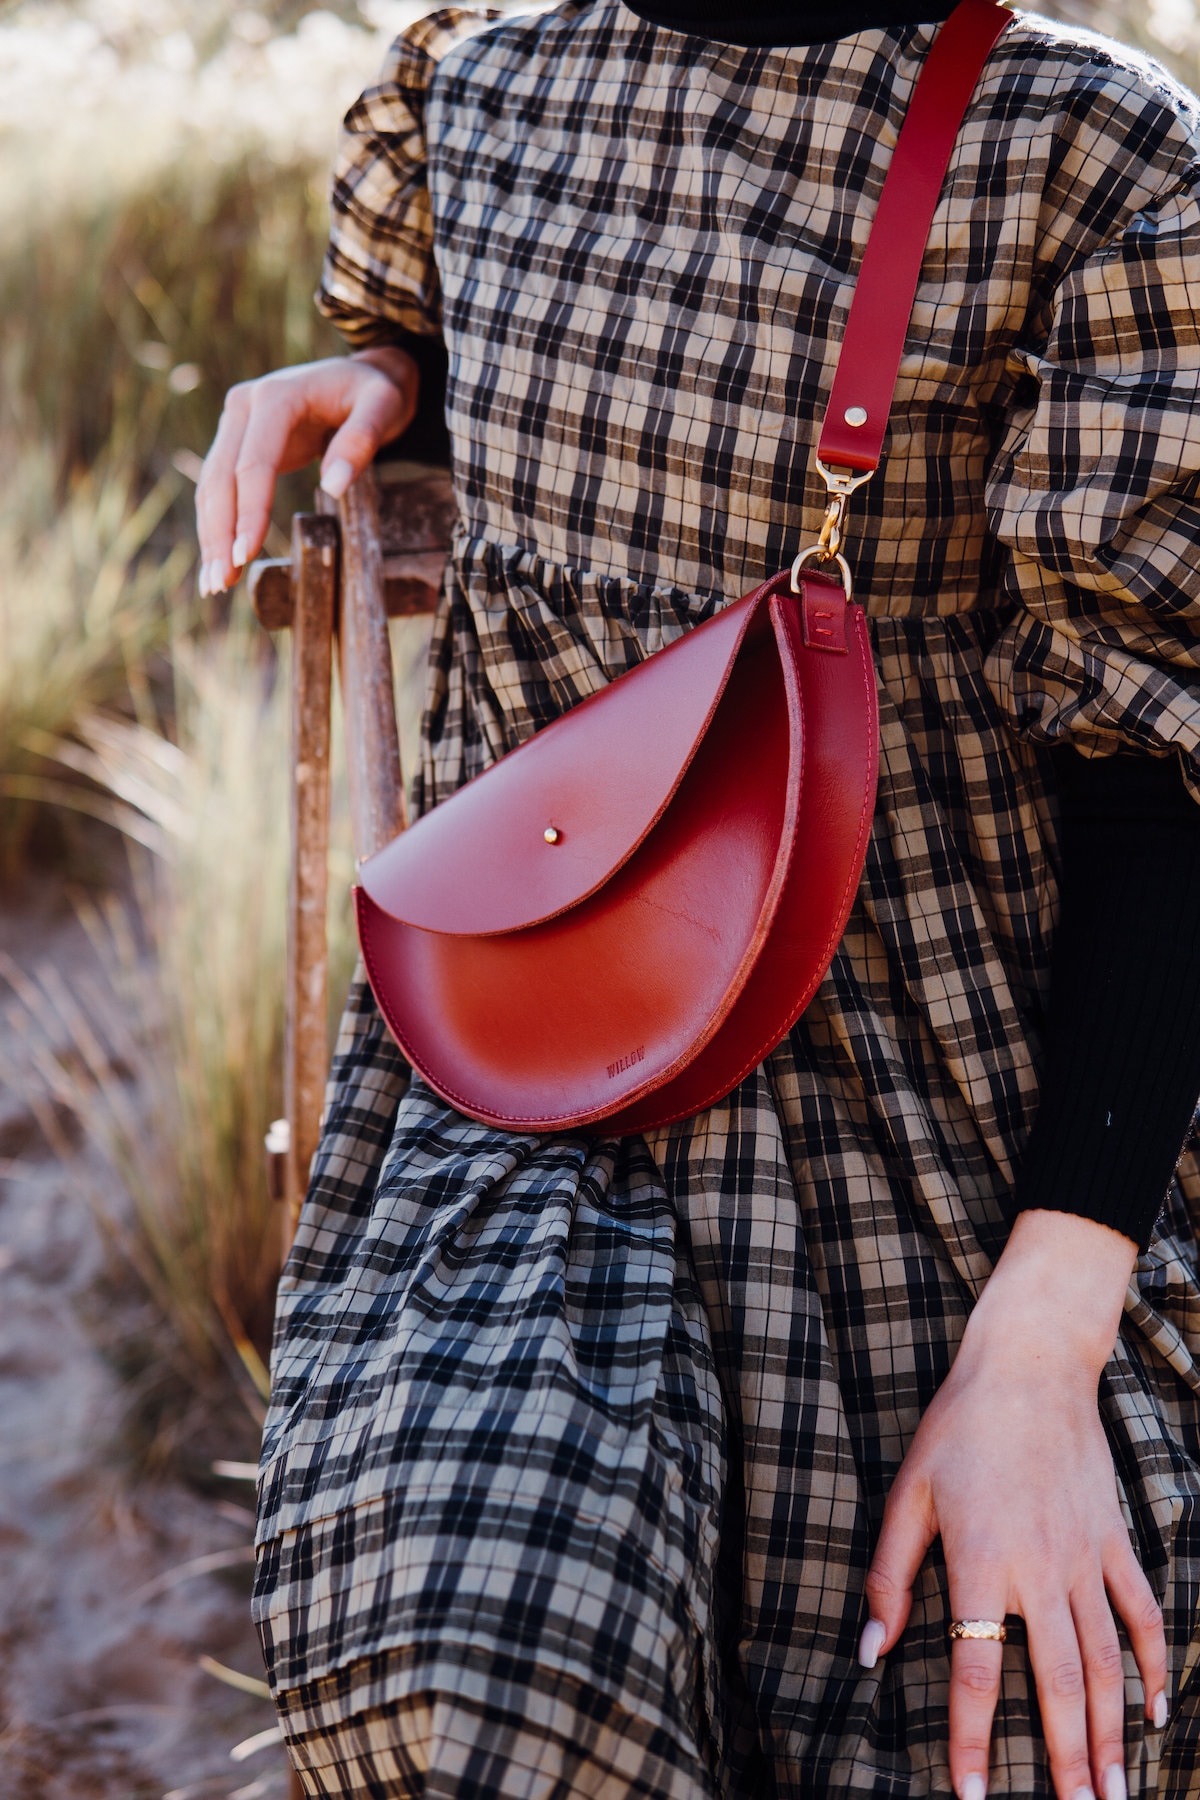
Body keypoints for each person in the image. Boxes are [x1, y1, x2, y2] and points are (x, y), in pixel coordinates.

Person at [195, 3, 1200, 1796]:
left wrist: (1045, 1350)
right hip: (521, 1055)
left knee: (1008, 1703)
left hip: (945, 1110)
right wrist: (395, 370)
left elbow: (1168, 778)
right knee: (478, 1664)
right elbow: (438, 301)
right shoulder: (480, 87)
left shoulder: (1090, 151)